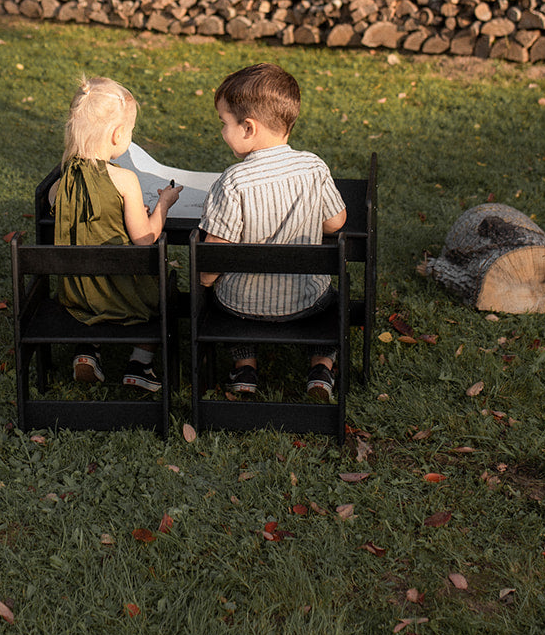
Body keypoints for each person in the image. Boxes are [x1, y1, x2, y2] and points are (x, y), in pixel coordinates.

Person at [199, 63, 347, 401]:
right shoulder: (314, 167)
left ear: (248, 128)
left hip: (241, 304)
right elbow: (336, 222)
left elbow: (214, 257)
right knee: (334, 302)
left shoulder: (233, 182)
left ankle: (245, 366)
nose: (222, 132)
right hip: (307, 301)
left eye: (224, 124)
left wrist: (204, 283)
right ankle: (322, 367)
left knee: (220, 295)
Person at [52, 76, 182, 392]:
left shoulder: (58, 186)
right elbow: (146, 238)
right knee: (166, 293)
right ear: (116, 135)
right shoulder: (124, 180)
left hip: (78, 293)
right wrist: (163, 204)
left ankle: (87, 351)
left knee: (93, 300)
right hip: (123, 291)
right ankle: (140, 364)